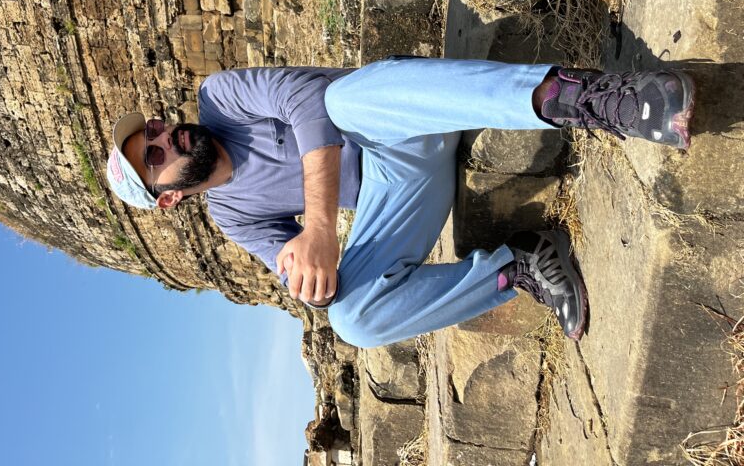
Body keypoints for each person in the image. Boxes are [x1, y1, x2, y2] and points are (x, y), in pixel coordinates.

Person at [104, 57, 694, 346]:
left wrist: (319, 228)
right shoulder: (233, 216)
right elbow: (305, 275)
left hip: (401, 114)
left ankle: (587, 97)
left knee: (339, 102)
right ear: (168, 198)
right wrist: (311, 280)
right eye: (153, 157)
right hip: (400, 188)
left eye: (153, 129)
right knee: (351, 322)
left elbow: (306, 102)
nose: (164, 137)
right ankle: (519, 264)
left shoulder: (220, 98)